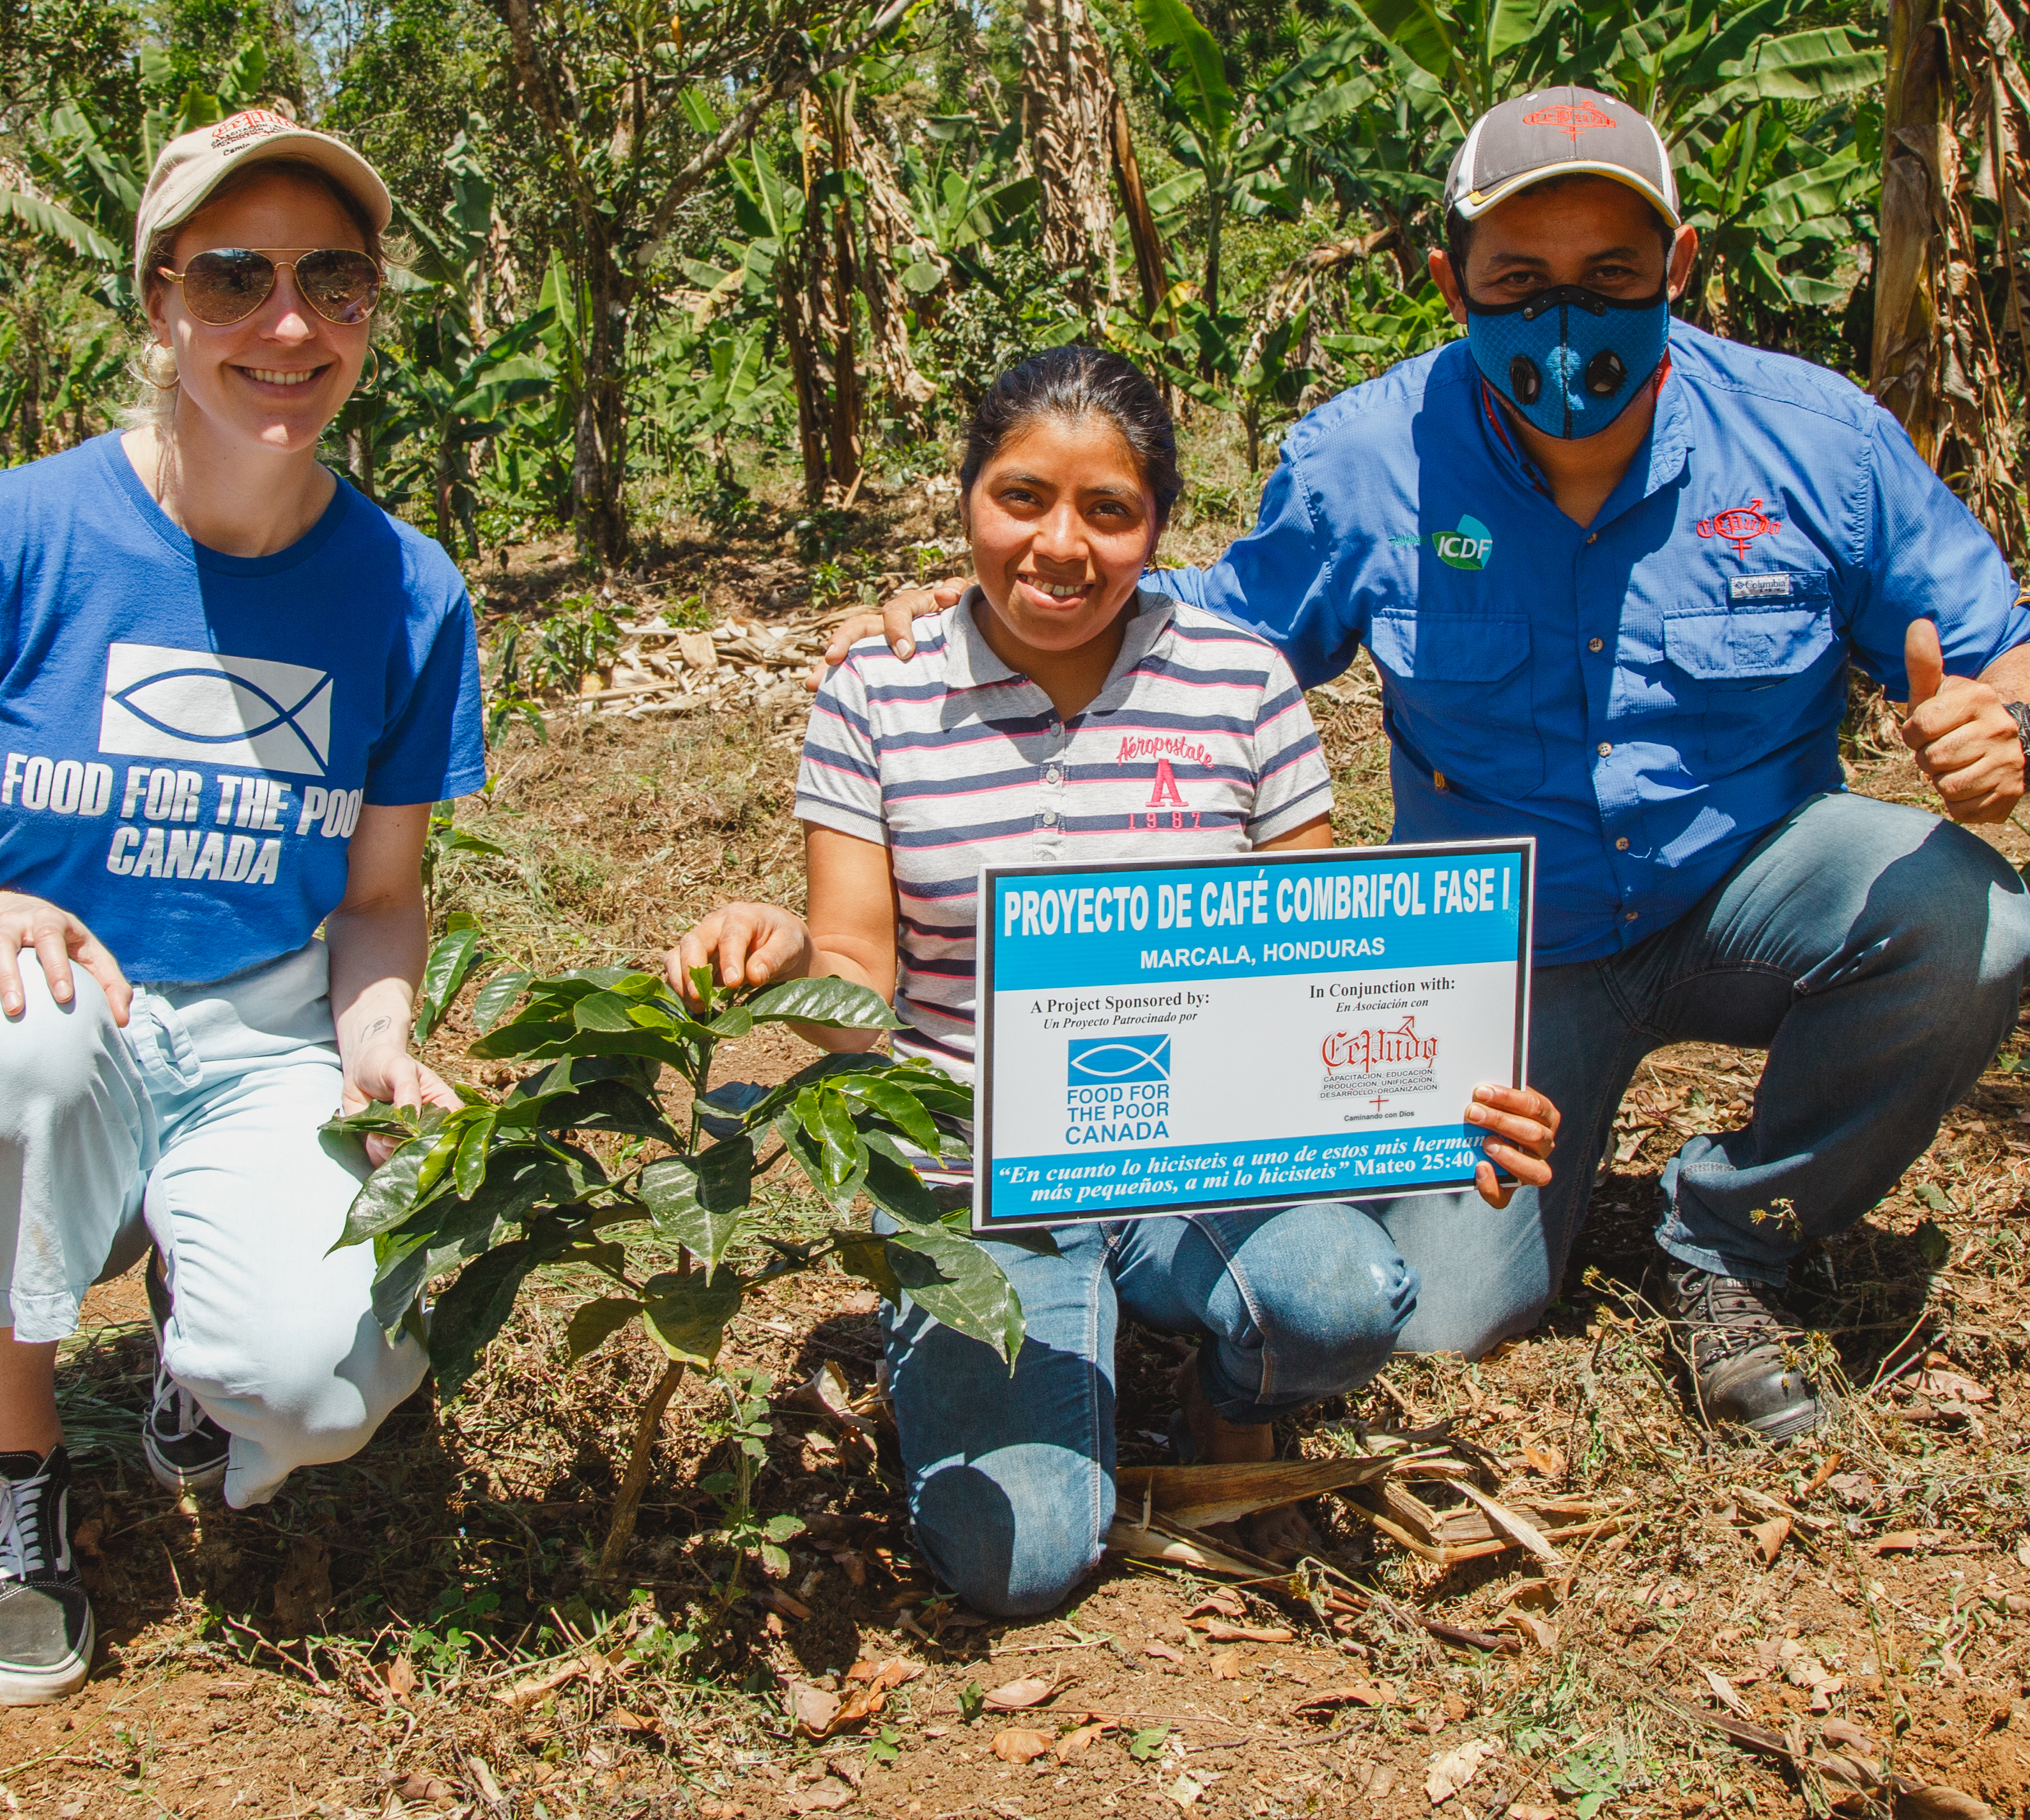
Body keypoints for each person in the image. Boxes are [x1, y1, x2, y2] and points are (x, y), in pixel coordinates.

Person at [829, 89, 2030, 1447]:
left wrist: (2013, 723)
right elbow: (1213, 621)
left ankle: (1732, 1238)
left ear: (1682, 266)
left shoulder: (1815, 440)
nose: (1566, 319)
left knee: (1971, 921)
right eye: (1519, 282)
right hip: (1505, 956)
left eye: (1612, 276)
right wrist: (978, 608)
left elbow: (2012, 646)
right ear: (1450, 282)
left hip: (1752, 889)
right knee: (1436, 1316)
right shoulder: (1368, 463)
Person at [668, 347, 1562, 1617]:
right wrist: (784, 957)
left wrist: (1446, 1100)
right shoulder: (877, 696)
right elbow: (859, 967)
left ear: (1156, 527)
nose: (1059, 546)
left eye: (1110, 510)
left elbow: (1318, 962)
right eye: (1021, 497)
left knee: (1347, 1295)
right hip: (970, 1173)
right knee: (1017, 1561)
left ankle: (1227, 1389)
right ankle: (1027, 1340)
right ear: (967, 496)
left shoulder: (1241, 683)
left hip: (1191, 1162)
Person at [0, 109, 484, 1704]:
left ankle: (209, 1319)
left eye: (335, 280)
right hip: (47, 1026)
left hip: (260, 1033)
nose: (288, 324)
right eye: (236, 278)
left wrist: (380, 1033)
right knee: (19, 1049)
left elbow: (381, 898)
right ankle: (11, 1470)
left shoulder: (408, 592)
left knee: (318, 1398)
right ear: (159, 300)